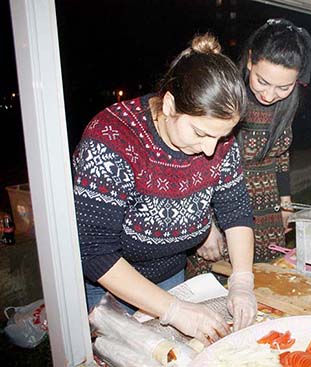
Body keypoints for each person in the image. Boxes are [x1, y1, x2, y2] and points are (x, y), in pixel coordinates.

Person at [72, 34, 257, 344]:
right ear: (170, 104)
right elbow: (93, 251)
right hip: (108, 287)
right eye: (200, 133)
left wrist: (242, 279)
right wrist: (173, 310)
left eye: (222, 137)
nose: (211, 149)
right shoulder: (112, 138)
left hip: (171, 274)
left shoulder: (218, 139)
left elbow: (236, 210)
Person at [186, 18, 311, 276]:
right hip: (222, 208)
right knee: (216, 287)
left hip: (267, 211)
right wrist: (205, 225)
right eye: (262, 81)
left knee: (266, 286)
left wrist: (285, 202)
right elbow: (194, 162)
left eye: (283, 87)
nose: (269, 95)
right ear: (251, 60)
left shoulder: (287, 104)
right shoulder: (226, 94)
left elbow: (280, 155)